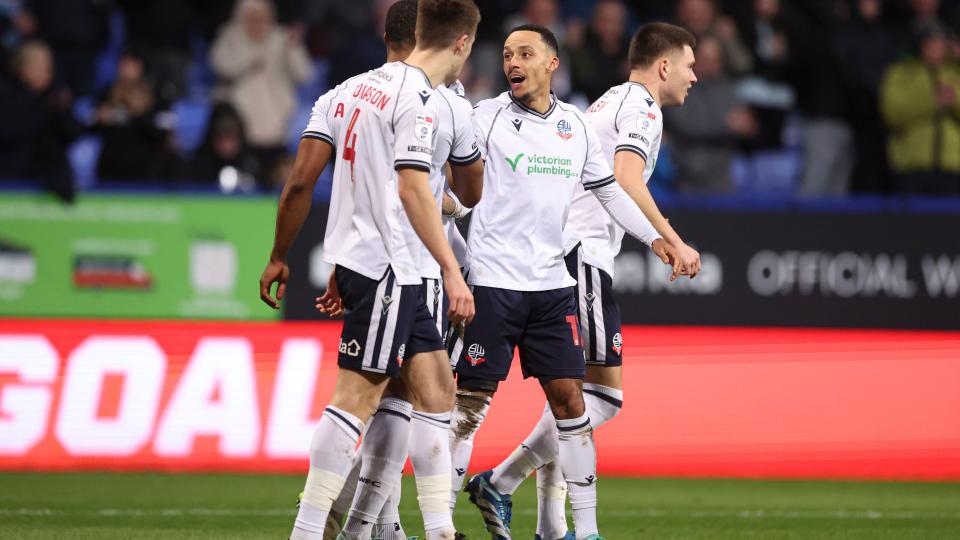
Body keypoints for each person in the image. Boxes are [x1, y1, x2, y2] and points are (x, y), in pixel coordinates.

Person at [446, 23, 683, 540]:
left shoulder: (573, 123)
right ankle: (441, 524)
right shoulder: (485, 118)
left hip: (553, 286)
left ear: (552, 63)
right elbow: (451, 175)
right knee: (469, 406)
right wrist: (447, 214)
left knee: (573, 405)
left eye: (525, 53)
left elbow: (610, 190)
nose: (513, 62)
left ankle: (582, 530)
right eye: (507, 54)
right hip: (493, 282)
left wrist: (655, 238)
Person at [258, 2, 481, 540]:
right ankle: (308, 531)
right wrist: (451, 268)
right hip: (395, 267)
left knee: (435, 393)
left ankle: (432, 530)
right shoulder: (428, 100)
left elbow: (300, 183)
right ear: (460, 42)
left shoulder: (342, 93)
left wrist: (281, 255)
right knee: (358, 398)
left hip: (380, 266)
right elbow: (418, 189)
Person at [211, 0, 314, 186]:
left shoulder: (282, 39)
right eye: (251, 19)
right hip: (242, 134)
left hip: (277, 132)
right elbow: (222, 66)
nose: (257, 24)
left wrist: (293, 47)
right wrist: (254, 53)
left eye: (262, 19)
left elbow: (306, 74)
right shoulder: (230, 36)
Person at [880, 21, 960, 194]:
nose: (935, 47)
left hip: (953, 165)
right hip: (912, 164)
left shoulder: (955, 73)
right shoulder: (901, 73)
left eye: (939, 41)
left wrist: (954, 101)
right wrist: (932, 102)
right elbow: (892, 112)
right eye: (929, 42)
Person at [0, 40, 80, 202]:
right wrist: (43, 108)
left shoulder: (55, 98)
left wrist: (62, 110)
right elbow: (9, 131)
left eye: (49, 66)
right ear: (23, 68)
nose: (47, 72)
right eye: (41, 66)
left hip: (54, 184)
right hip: (11, 182)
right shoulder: (6, 95)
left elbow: (73, 133)